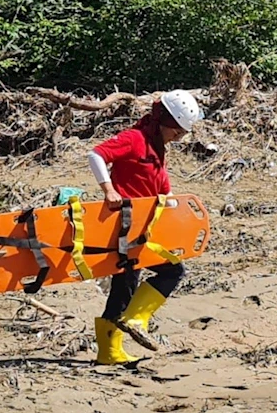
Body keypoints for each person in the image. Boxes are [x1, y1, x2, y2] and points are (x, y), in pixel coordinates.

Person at [87, 90, 204, 364]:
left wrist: (178, 213)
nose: (179, 137)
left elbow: (163, 190)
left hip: (144, 229)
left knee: (128, 284)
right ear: (164, 121)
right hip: (124, 227)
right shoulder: (135, 139)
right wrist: (109, 190)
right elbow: (96, 155)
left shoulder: (157, 149)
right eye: (177, 131)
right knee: (166, 272)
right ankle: (133, 323)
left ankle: (111, 349)